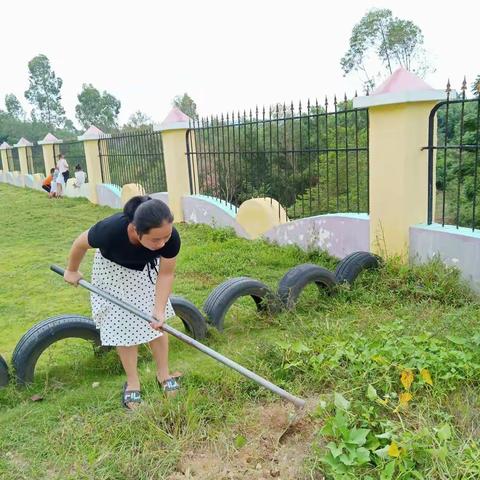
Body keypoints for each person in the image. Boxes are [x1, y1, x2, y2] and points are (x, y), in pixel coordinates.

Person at [63, 196, 181, 410]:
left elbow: (166, 274)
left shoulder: (169, 238)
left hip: (144, 271)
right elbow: (80, 243)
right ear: (136, 230)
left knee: (157, 325)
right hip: (112, 272)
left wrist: (158, 309)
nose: (163, 243)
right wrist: (72, 270)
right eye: (156, 240)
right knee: (122, 326)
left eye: (167, 236)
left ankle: (163, 374)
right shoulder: (109, 231)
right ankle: (133, 382)